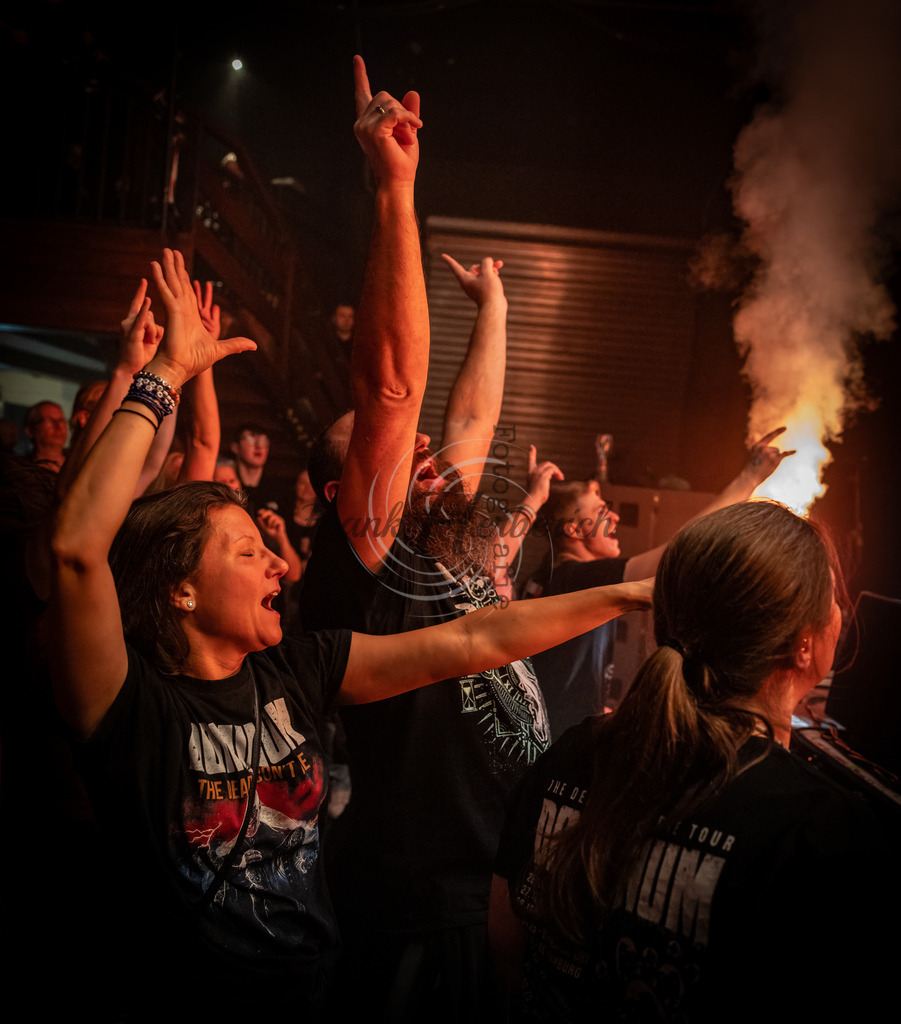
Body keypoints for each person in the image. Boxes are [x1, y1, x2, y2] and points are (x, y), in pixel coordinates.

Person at [47, 244, 651, 1020]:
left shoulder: (296, 671)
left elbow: (473, 644)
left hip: (319, 991)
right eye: (245, 550)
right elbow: (74, 550)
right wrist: (161, 374)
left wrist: (629, 592)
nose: (276, 562)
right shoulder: (129, 707)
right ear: (180, 591)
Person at [298, 61, 534, 1013]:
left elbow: (466, 425)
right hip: (414, 913)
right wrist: (396, 194)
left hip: (485, 895)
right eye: (388, 456)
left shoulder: (434, 541)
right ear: (337, 490)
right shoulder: (359, 561)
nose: (419, 450)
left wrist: (496, 311)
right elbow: (391, 394)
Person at [491, 500, 898, 1022]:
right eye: (832, 598)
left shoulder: (572, 753)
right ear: (804, 646)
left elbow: (506, 947)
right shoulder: (820, 831)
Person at [522, 429, 793, 740]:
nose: (614, 515)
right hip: (554, 745)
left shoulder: (548, 573)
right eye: (600, 511)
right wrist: (750, 476)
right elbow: (680, 551)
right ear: (572, 528)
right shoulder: (577, 579)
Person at [23, 399, 68, 471]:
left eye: (61, 420)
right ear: (31, 430)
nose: (58, 426)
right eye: (50, 421)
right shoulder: (23, 470)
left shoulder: (78, 463)